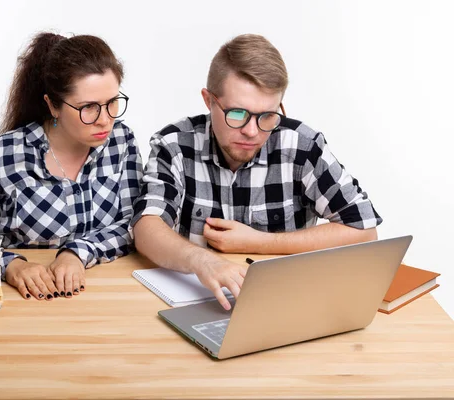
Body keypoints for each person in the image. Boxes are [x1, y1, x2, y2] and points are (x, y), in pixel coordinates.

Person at [131, 34, 381, 311]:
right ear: (208, 101)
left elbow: (364, 230)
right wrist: (203, 260)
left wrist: (259, 242)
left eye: (267, 116)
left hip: (284, 305)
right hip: (197, 303)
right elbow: (146, 227)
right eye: (237, 114)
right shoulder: (174, 145)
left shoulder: (301, 145)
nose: (252, 131)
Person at [0, 32, 143, 301]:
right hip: (27, 301)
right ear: (53, 106)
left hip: (108, 295)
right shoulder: (5, 156)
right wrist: (9, 265)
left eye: (112, 102)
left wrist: (77, 253)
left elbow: (136, 226)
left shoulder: (122, 141)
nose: (105, 120)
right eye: (89, 108)